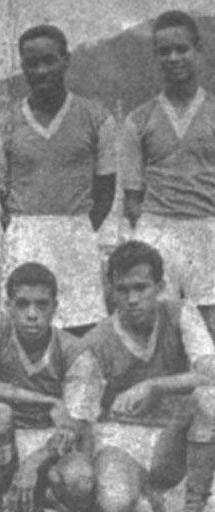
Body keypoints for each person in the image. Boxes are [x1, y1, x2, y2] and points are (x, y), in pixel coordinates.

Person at [0, 24, 118, 337]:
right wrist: (24, 227)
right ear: (22, 67)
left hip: (75, 232)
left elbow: (105, 189)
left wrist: (76, 225)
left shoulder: (96, 118)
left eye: (49, 60)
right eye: (31, 64)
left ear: (66, 60)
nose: (41, 70)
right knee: (26, 327)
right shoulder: (4, 125)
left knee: (81, 326)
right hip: (25, 235)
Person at [84, 240, 215, 511]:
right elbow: (83, 416)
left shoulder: (180, 313)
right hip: (120, 440)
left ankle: (193, 505)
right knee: (116, 502)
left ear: (160, 286)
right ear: (111, 293)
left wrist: (154, 385)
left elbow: (211, 373)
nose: (132, 299)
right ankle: (141, 496)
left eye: (141, 288)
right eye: (123, 290)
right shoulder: (97, 340)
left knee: (209, 399)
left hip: (171, 439)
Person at [0, 262, 101, 511]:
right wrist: (48, 401)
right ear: (8, 306)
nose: (32, 313)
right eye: (22, 304)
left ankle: (46, 495)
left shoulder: (75, 350)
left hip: (49, 440)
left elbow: (74, 424)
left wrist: (33, 463)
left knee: (79, 479)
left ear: (55, 308)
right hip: (5, 437)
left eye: (41, 304)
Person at [121, 10, 215, 341]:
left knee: (209, 324)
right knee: (158, 327)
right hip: (158, 228)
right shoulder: (138, 119)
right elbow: (132, 196)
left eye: (182, 49)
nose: (173, 58)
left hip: (208, 228)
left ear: (198, 49)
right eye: (164, 51)